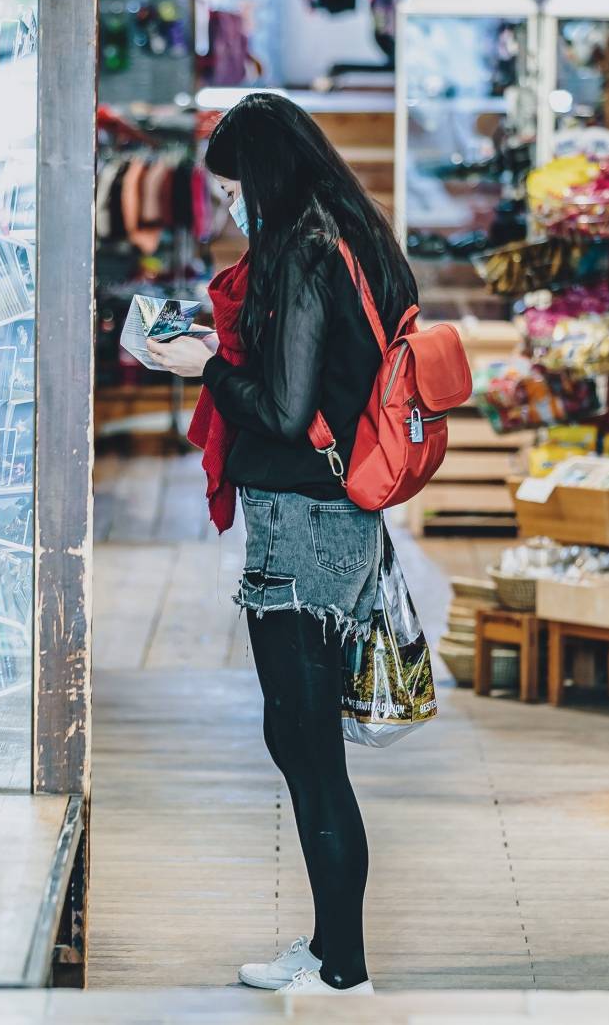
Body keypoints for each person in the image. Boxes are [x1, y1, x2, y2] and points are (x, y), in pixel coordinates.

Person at [146, 92, 416, 996]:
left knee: (308, 753)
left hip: (303, 525)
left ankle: (344, 969)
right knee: (302, 746)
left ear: (262, 176)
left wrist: (204, 367)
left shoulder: (302, 251)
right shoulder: (355, 234)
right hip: (339, 520)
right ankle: (329, 947)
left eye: (231, 192)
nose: (230, 210)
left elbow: (282, 410)